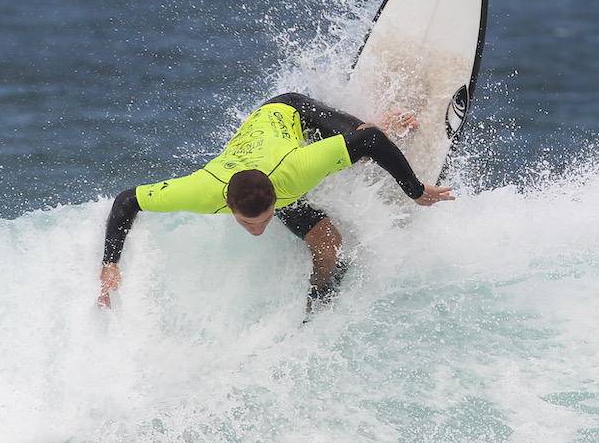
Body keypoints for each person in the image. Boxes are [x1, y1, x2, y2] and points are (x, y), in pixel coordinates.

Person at [98, 92, 453, 311]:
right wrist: (110, 263)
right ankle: (317, 303)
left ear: (274, 198)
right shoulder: (202, 191)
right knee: (330, 244)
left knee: (361, 144)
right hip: (258, 155)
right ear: (229, 206)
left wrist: (415, 191)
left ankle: (389, 118)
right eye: (248, 222)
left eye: (264, 218)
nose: (257, 229)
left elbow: (372, 141)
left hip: (289, 113)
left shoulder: (296, 171)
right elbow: (128, 200)